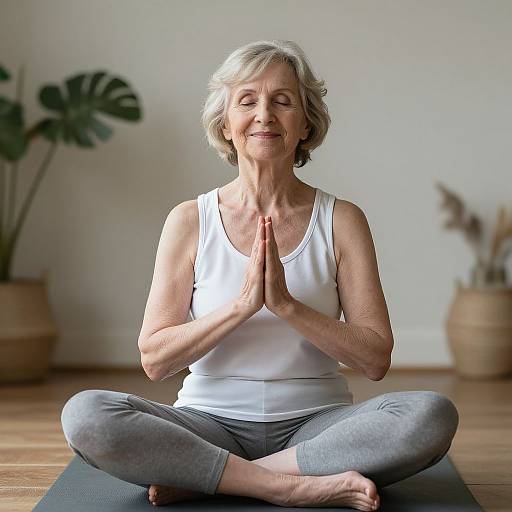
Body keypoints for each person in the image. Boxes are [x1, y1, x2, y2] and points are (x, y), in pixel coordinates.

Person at [60, 40, 459, 511]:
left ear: (305, 123)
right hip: (208, 424)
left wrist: (288, 307)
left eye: (283, 101)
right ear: (225, 124)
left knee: (431, 414)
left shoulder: (341, 220)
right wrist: (241, 306)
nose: (264, 114)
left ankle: (217, 478)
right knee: (86, 415)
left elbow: (375, 359)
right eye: (247, 100)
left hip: (316, 425)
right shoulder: (190, 219)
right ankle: (287, 485)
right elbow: (155, 359)